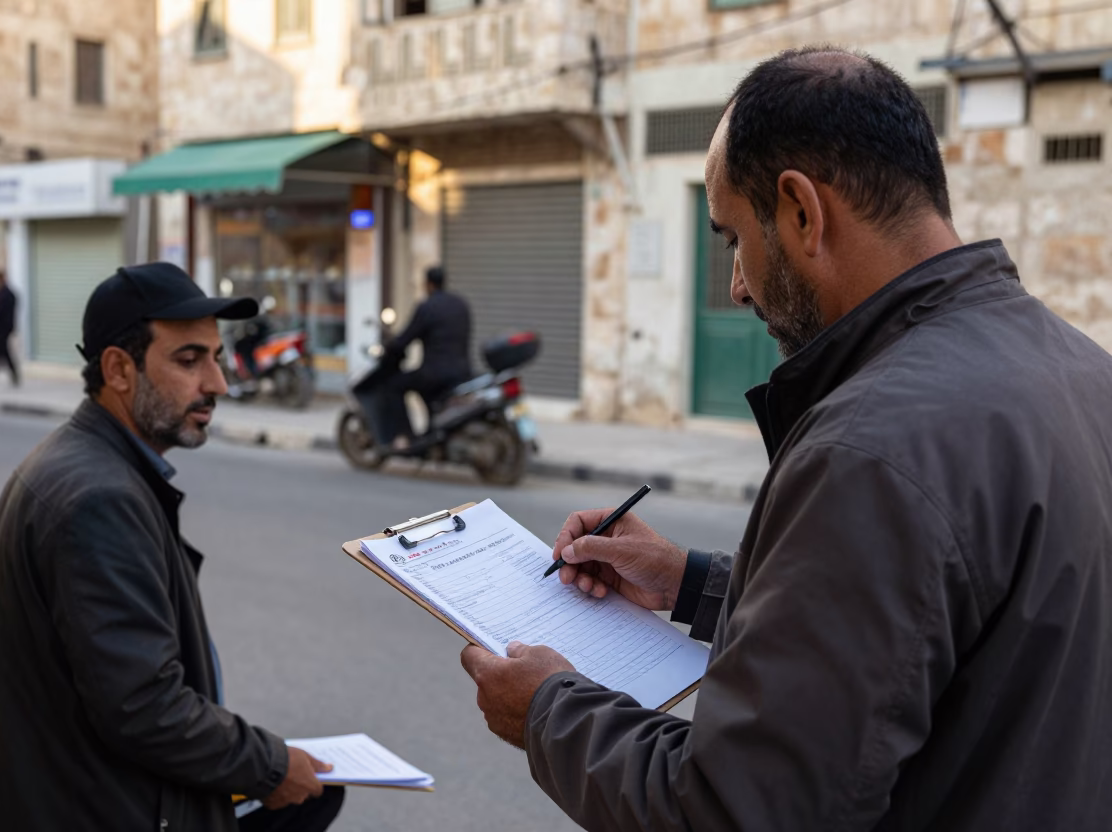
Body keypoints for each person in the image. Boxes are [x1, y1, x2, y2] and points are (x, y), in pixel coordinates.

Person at [459, 46, 1112, 831]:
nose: (736, 285)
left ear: (802, 211)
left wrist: (546, 712)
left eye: (734, 237)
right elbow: (939, 625)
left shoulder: (871, 448)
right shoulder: (1080, 369)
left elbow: (740, 813)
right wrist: (689, 582)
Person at [0, 262, 344, 832]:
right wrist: (271, 767)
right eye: (189, 360)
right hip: (100, 809)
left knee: (321, 795)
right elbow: (143, 706)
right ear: (118, 369)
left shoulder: (88, 467)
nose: (217, 384)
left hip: (98, 795)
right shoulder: (98, 497)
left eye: (217, 358)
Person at [379, 265, 472, 446]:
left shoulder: (427, 307)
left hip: (436, 373)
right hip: (462, 371)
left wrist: (390, 348)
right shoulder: (461, 304)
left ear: (428, 284)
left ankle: (407, 436)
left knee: (394, 386)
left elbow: (404, 339)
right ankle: (432, 433)